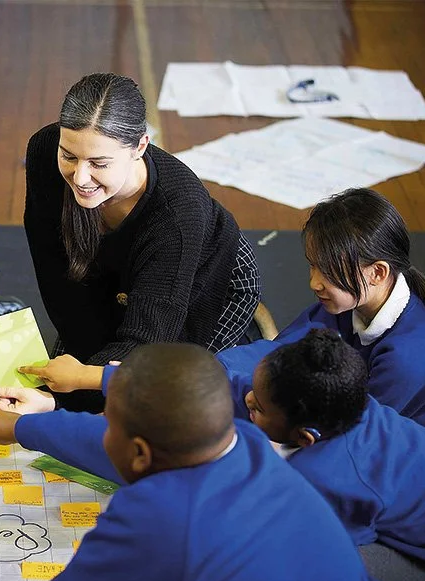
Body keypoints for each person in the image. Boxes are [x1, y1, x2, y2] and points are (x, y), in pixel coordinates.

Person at [0, 344, 384, 581]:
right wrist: (26, 425)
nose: (103, 430)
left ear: (140, 452)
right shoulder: (247, 443)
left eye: (109, 421)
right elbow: (98, 441)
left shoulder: (154, 517)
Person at [24, 73, 260, 413]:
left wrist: (64, 395)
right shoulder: (45, 150)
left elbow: (146, 346)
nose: (80, 178)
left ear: (140, 147)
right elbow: (55, 273)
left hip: (207, 277)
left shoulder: (177, 216)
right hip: (117, 265)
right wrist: (78, 369)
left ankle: (247, 330)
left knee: (162, 398)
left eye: (99, 163)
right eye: (69, 157)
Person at [218, 188, 425, 442]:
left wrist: (255, 399)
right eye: (313, 265)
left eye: (329, 272)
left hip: (414, 450)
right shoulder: (349, 302)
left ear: (377, 273)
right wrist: (215, 371)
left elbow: (350, 437)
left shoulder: (409, 358)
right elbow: (282, 355)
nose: (314, 283)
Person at [243, 329, 425, 581]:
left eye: (257, 407)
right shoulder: (345, 399)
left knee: (305, 569)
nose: (248, 398)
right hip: (421, 504)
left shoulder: (326, 478)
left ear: (305, 437)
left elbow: (319, 540)